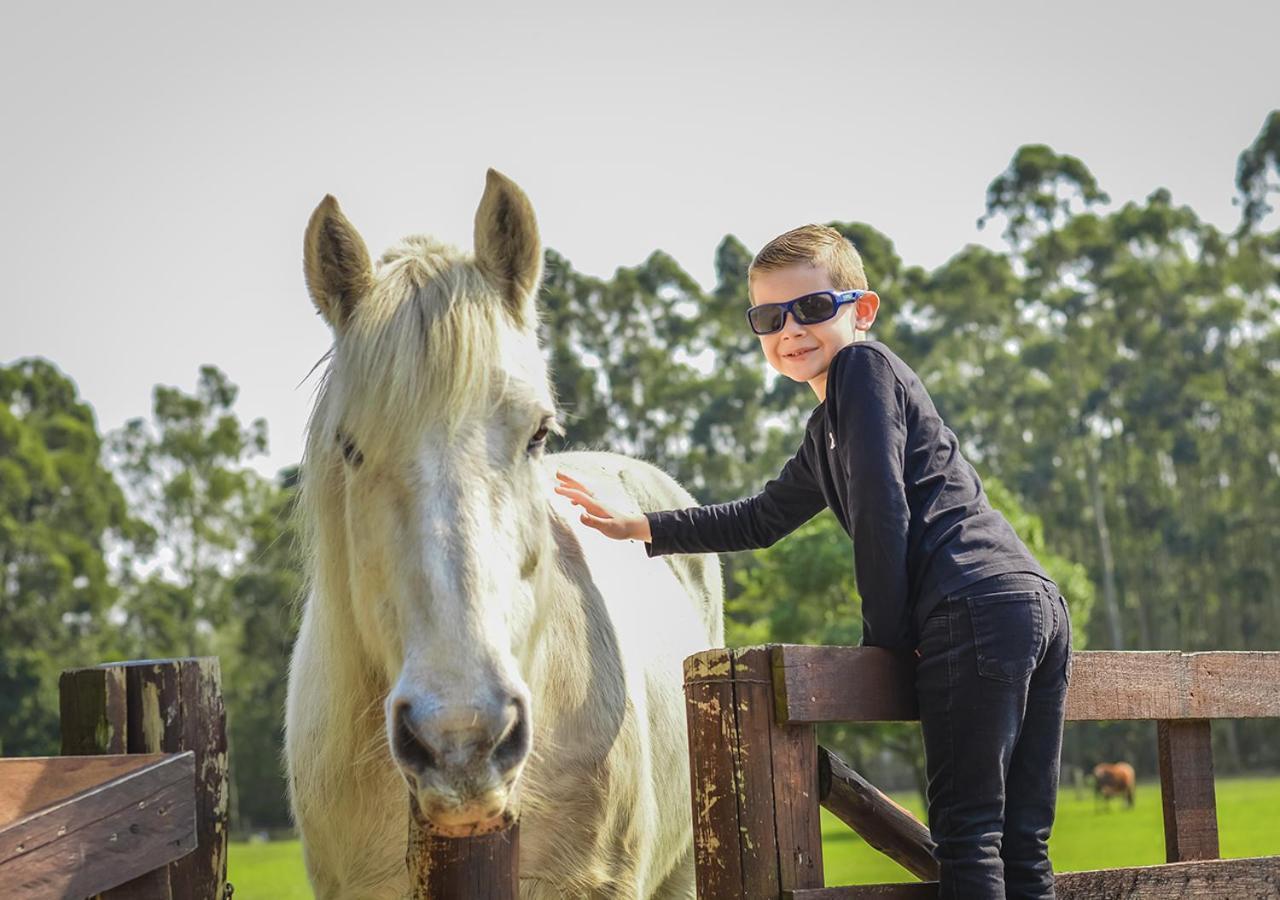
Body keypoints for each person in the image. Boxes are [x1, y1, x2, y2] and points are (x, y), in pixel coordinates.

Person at [553, 224, 1072, 899]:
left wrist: (886, 642)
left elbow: (885, 510)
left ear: (862, 310)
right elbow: (762, 518)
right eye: (769, 317)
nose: (791, 329)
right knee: (1021, 839)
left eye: (814, 308)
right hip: (1030, 603)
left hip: (970, 604)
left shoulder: (863, 369)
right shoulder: (827, 432)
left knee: (970, 835)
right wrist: (642, 526)